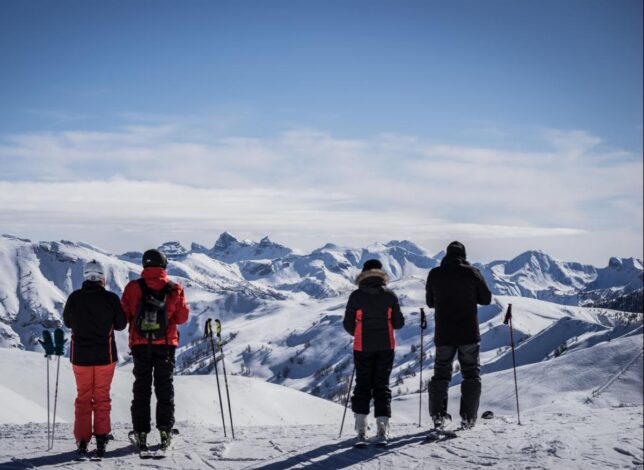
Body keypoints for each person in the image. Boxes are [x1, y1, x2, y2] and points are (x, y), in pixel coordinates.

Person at [121, 249, 189, 451]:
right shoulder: (174, 288)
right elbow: (183, 318)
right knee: (164, 388)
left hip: (140, 345)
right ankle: (165, 431)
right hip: (166, 345)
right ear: (164, 265)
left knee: (141, 388)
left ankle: (141, 432)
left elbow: (124, 316)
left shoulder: (133, 287)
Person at [63, 260, 127, 458]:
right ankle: (101, 437)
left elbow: (67, 322)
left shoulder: (75, 297)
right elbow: (121, 324)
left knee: (83, 397)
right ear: (102, 277)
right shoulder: (110, 298)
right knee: (101, 398)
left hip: (80, 357)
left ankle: (82, 440)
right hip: (104, 357)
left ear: (85, 276)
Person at [425, 241, 492, 430]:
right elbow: (486, 299)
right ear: (464, 255)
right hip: (468, 332)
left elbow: (430, 302)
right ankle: (468, 418)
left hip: (444, 332)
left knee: (440, 374)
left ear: (446, 255)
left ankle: (438, 416)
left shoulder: (435, 274)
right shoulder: (472, 272)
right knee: (471, 374)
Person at [343, 259, 405, 445]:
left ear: (363, 274)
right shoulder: (390, 295)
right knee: (381, 385)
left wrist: (360, 333)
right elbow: (399, 324)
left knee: (363, 385)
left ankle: (361, 430)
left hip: (362, 346)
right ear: (381, 273)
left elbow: (347, 324)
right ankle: (382, 429)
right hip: (386, 346)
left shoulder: (356, 296)